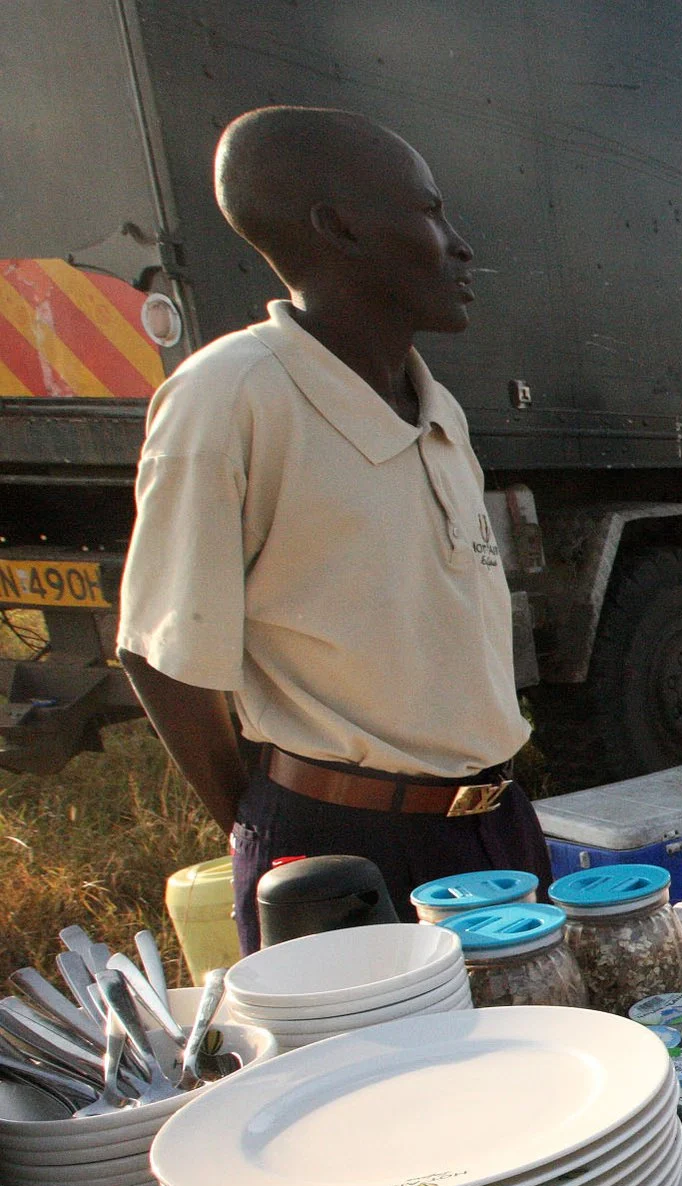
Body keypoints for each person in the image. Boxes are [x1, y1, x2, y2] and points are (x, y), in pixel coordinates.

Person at [114, 106, 549, 954]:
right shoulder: (234, 396)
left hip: (491, 831)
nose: (460, 245)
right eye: (430, 213)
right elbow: (161, 655)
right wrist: (263, 828)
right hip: (343, 850)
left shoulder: (438, 409)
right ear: (338, 226)